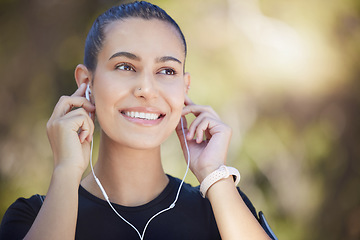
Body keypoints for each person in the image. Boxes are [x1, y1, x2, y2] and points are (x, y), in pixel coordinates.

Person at [0, 1, 277, 240]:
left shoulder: (222, 207)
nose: (146, 89)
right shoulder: (32, 217)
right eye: (125, 66)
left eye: (166, 71)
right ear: (87, 82)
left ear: (184, 88)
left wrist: (213, 172)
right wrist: (66, 170)